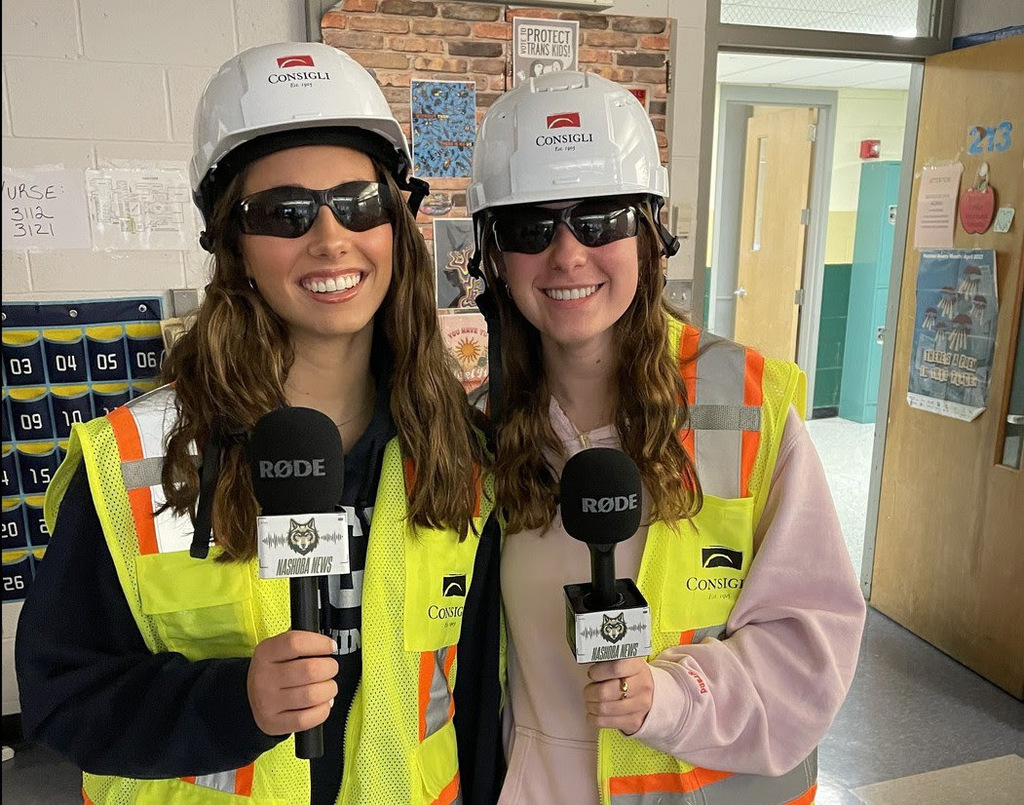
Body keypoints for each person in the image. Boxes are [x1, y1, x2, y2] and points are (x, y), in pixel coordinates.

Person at [15, 42, 503, 805]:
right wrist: (231, 702)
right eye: (285, 213)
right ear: (231, 243)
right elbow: (60, 694)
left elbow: (471, 692)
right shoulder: (138, 458)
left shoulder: (459, 449)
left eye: (359, 201)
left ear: (395, 221)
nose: (331, 236)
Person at [467, 70, 866, 805]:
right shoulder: (471, 432)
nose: (567, 254)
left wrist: (673, 697)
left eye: (600, 219)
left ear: (651, 235)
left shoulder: (747, 405)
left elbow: (814, 647)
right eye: (530, 227)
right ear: (492, 254)